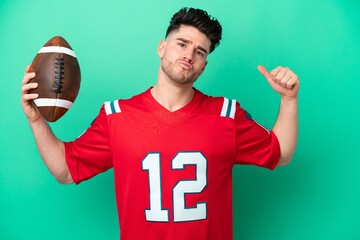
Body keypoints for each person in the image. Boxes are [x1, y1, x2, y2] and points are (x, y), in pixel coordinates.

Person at [21, 7, 299, 240]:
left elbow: (281, 152)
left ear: (204, 66)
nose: (189, 55)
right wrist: (35, 119)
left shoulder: (226, 115)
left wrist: (289, 99)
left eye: (200, 52)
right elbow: (65, 170)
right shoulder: (117, 115)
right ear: (162, 47)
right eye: (182, 44)